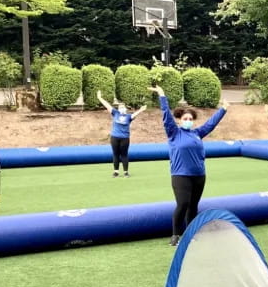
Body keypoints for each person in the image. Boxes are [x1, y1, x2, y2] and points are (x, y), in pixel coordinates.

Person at [148, 85, 228, 246]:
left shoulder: (197, 134)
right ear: (179, 120)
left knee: (193, 206)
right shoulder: (174, 133)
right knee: (183, 204)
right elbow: (166, 116)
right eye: (185, 119)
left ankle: (190, 234)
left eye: (190, 119)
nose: (188, 121)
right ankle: (175, 235)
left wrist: (223, 109)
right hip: (180, 175)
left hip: (199, 175)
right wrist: (162, 95)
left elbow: (211, 124)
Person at [96, 90, 146, 178]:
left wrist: (141, 110)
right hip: (115, 137)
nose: (122, 108)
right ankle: (116, 172)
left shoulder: (128, 117)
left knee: (124, 154)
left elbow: (135, 114)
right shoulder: (115, 113)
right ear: (118, 109)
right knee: (115, 154)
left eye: (123, 107)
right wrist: (100, 98)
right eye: (120, 107)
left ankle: (126, 172)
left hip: (125, 138)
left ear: (125, 109)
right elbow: (107, 105)